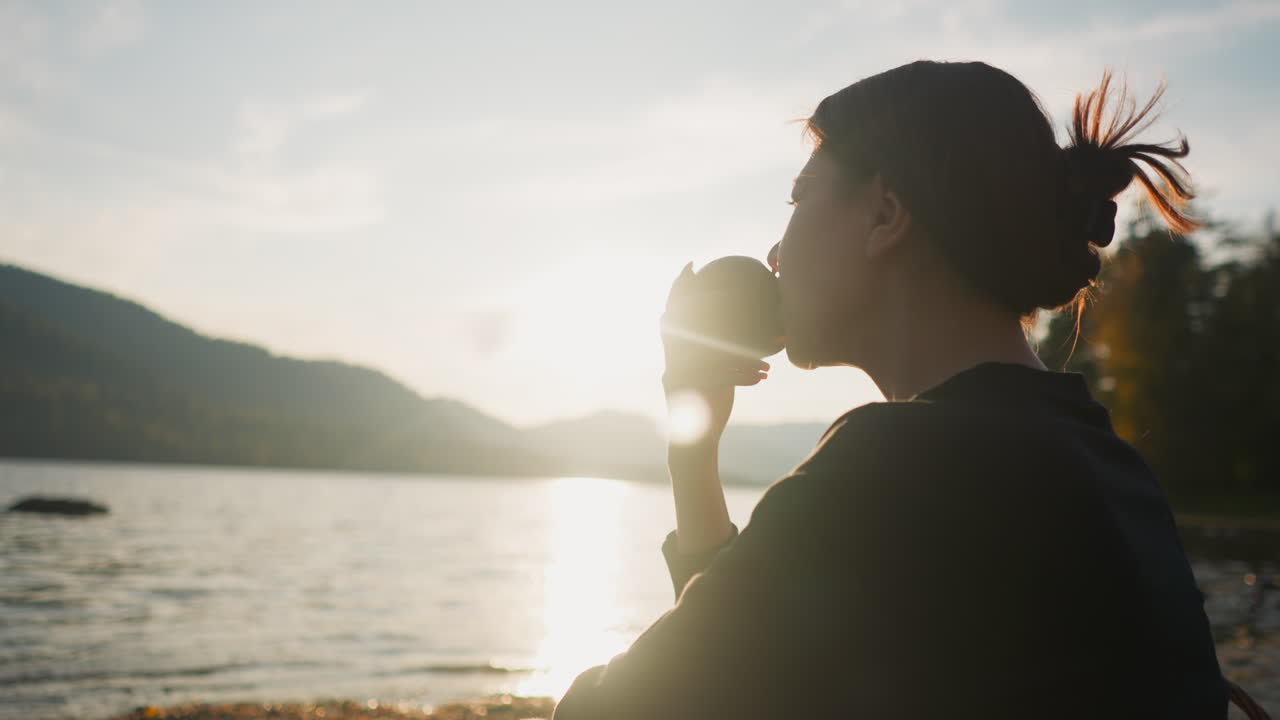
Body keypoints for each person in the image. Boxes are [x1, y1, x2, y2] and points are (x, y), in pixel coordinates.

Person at [551, 61, 1227, 719]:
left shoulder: (899, 462)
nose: (774, 253)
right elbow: (730, 679)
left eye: (799, 196)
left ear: (885, 215)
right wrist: (692, 453)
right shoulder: (1111, 467)